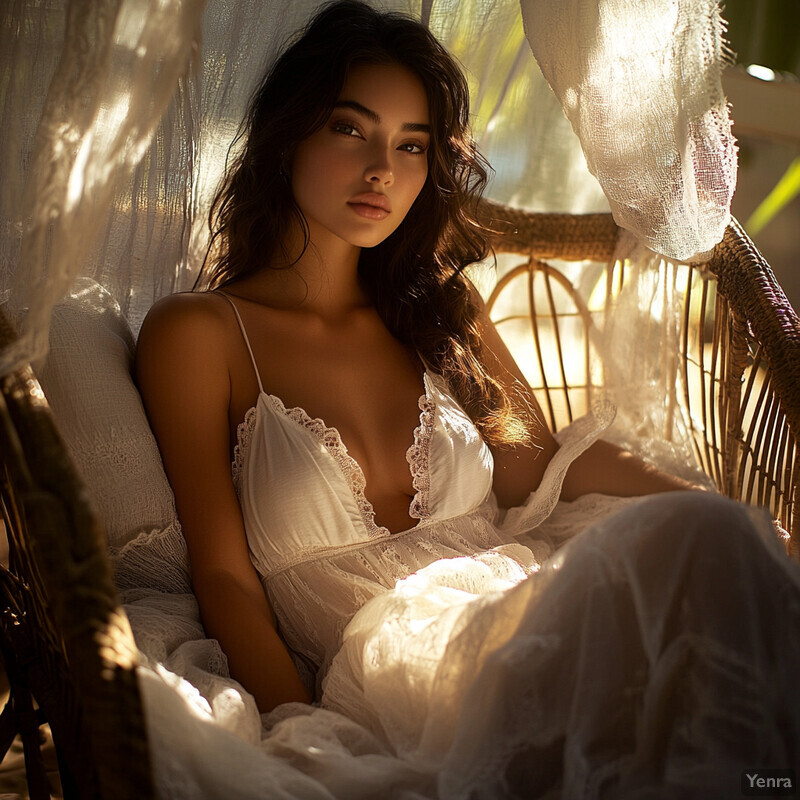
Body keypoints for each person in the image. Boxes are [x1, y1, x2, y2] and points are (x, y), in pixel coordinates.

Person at [135, 2, 800, 796]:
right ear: (289, 135)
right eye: (351, 130)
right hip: (391, 675)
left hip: (512, 612)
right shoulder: (200, 334)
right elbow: (225, 576)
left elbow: (542, 470)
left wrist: (739, 520)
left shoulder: (439, 309)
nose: (383, 169)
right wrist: (297, 728)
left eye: (411, 145)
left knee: (716, 558)